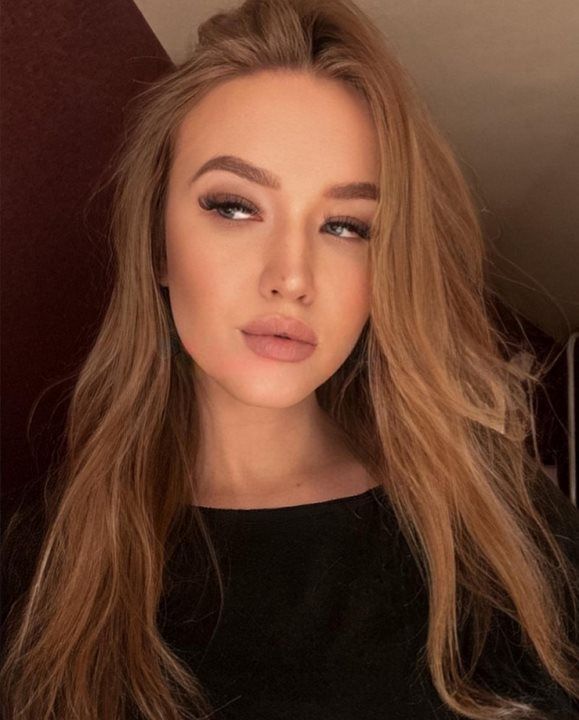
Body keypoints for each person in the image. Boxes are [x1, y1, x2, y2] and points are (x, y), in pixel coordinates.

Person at [1, 0, 578, 718]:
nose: (292, 276)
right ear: (156, 243)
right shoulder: (42, 568)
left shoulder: (501, 527)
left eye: (346, 225)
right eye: (234, 207)